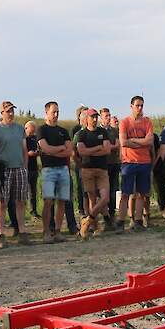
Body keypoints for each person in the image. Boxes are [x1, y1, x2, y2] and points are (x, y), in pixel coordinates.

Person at [0, 101, 31, 248]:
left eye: (12, 110)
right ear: (2, 113)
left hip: (19, 169)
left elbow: (24, 149)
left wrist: (24, 167)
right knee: (3, 202)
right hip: (4, 170)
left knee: (20, 201)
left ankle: (22, 232)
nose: (11, 113)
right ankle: (1, 233)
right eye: (8, 111)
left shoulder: (20, 128)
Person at [75, 108, 114, 238]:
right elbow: (82, 151)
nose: (95, 119)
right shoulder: (82, 134)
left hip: (102, 169)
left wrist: (90, 150)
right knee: (92, 198)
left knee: (104, 198)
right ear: (86, 119)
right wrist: (98, 148)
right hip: (87, 169)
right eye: (92, 117)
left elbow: (107, 150)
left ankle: (87, 220)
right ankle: (95, 226)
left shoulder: (103, 132)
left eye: (96, 117)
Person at [118, 96, 155, 231]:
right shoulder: (124, 122)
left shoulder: (147, 122)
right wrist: (141, 142)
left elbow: (149, 141)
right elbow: (123, 142)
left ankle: (138, 221)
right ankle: (121, 221)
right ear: (131, 106)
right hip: (129, 162)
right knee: (125, 194)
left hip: (144, 161)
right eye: (137, 105)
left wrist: (133, 140)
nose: (140, 108)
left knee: (141, 193)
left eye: (141, 105)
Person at [38, 101, 73, 244]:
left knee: (62, 201)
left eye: (58, 111)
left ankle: (58, 231)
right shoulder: (41, 130)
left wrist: (55, 150)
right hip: (48, 170)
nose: (56, 114)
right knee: (48, 201)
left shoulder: (63, 131)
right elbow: (45, 149)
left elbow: (69, 151)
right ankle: (46, 232)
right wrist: (60, 149)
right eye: (54, 112)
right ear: (46, 113)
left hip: (63, 169)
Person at [101, 109, 121, 224]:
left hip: (114, 162)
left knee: (113, 189)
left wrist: (108, 147)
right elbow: (102, 147)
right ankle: (105, 216)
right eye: (106, 116)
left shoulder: (114, 130)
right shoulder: (99, 131)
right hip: (103, 164)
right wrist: (107, 147)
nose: (108, 118)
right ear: (101, 118)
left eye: (109, 115)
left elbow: (117, 145)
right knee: (104, 191)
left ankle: (112, 213)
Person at [24, 121, 40, 218]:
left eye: (34, 130)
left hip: (34, 167)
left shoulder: (35, 138)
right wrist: (29, 153)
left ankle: (33, 210)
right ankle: (22, 212)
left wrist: (37, 152)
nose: (33, 132)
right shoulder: (23, 139)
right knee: (22, 191)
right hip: (25, 167)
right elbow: (22, 152)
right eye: (31, 130)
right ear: (26, 128)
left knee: (33, 191)